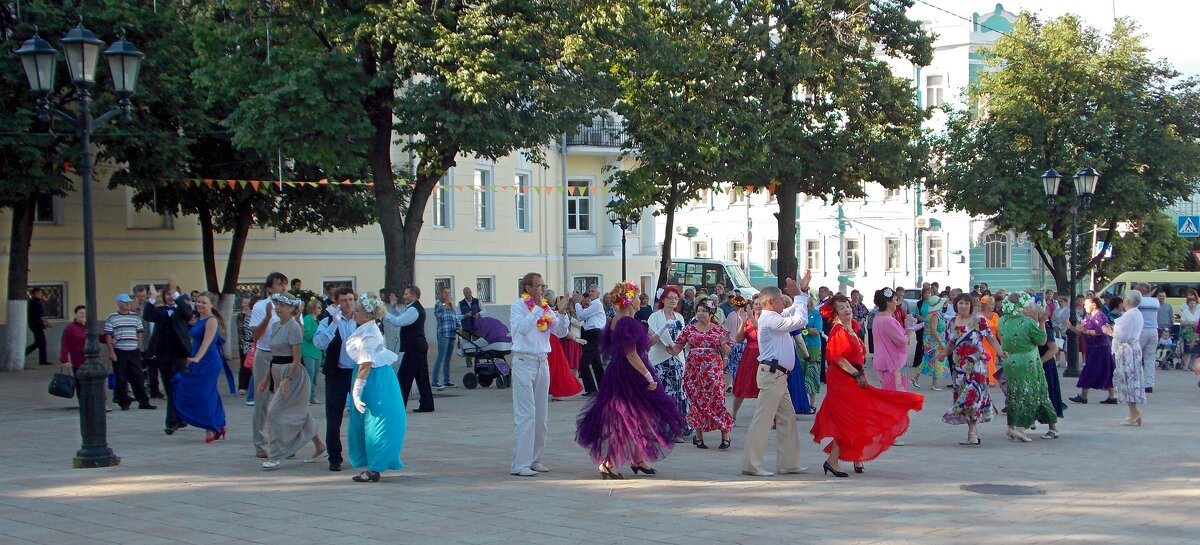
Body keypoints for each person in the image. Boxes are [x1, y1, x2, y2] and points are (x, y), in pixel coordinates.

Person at [576, 282, 687, 479]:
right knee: (624, 419)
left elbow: (644, 345)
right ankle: (608, 462)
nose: (639, 300)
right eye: (636, 297)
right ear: (628, 301)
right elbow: (631, 354)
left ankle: (638, 458)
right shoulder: (626, 322)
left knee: (638, 417)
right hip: (630, 375)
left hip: (621, 371)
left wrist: (660, 330)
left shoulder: (618, 319)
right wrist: (648, 376)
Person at [811, 294, 923, 477]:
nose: (847, 309)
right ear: (835, 313)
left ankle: (855, 455)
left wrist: (859, 372)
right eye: (842, 308)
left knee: (859, 416)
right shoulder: (838, 330)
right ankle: (833, 460)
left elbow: (858, 355)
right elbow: (838, 358)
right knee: (849, 419)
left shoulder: (852, 327)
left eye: (847, 305)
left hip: (853, 375)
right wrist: (855, 373)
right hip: (843, 377)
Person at [741, 274, 813, 477]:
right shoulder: (769, 318)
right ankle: (751, 464)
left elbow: (797, 310)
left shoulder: (774, 316)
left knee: (787, 418)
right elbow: (799, 320)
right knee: (763, 420)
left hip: (779, 376)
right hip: (772, 375)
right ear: (771, 302)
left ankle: (789, 464)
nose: (785, 301)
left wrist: (803, 292)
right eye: (781, 298)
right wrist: (798, 294)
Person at [509, 272, 570, 477]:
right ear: (528, 288)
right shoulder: (518, 306)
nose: (543, 289)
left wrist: (561, 313)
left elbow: (559, 332)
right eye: (539, 286)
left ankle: (535, 459)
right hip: (523, 362)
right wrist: (535, 308)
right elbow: (523, 329)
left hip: (542, 362)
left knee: (541, 416)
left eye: (544, 286)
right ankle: (520, 464)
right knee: (525, 415)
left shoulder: (544, 308)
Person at [342, 293, 406, 483]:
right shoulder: (366, 328)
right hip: (370, 377)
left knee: (377, 421)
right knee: (365, 421)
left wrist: (355, 392)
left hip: (375, 378)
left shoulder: (370, 334)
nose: (355, 312)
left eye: (358, 310)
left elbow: (366, 364)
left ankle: (374, 468)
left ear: (368, 315)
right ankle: (371, 465)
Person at [261, 294, 326, 469]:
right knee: (301, 412)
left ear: (291, 308)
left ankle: (275, 454)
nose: (278, 307)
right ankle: (320, 446)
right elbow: (274, 356)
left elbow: (296, 358)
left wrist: (288, 379)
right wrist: (266, 379)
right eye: (276, 304)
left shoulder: (294, 328)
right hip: (277, 371)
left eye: (282, 304)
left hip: (293, 374)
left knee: (274, 412)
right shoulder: (275, 326)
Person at [938, 293, 1005, 445]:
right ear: (956, 305)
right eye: (961, 303)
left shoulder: (978, 321)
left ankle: (972, 432)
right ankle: (973, 431)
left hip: (977, 367)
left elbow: (990, 338)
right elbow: (951, 343)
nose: (963, 306)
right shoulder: (953, 322)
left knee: (971, 398)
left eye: (967, 304)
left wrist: (1001, 352)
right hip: (960, 368)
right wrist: (943, 354)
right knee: (965, 398)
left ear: (971, 306)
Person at [670, 300, 732, 449]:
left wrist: (723, 345)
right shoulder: (689, 329)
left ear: (711, 313)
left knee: (717, 400)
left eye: (704, 310)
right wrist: (663, 346)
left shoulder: (719, 330)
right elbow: (676, 349)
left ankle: (725, 436)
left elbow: (728, 351)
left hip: (713, 370)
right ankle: (699, 437)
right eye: (698, 311)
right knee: (696, 402)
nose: (700, 313)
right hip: (693, 371)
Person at [997, 293, 1060, 442]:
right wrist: (1042, 322)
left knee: (1014, 393)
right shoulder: (1027, 323)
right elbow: (1041, 340)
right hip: (1028, 362)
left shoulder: (1002, 321)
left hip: (1009, 361)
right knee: (1032, 393)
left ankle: (1011, 427)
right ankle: (1021, 428)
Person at [314, 286, 359, 472]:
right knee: (334, 417)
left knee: (362, 415)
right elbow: (319, 343)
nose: (347, 304)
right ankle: (334, 457)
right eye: (343, 300)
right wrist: (334, 323)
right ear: (336, 303)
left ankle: (363, 453)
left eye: (350, 300)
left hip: (358, 373)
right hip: (336, 373)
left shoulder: (362, 319)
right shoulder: (327, 321)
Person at [172, 293, 226, 443]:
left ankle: (210, 427)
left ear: (211, 305)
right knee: (210, 392)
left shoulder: (211, 321)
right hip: (197, 359)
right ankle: (219, 423)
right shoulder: (198, 319)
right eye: (198, 302)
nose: (200, 304)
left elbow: (207, 342)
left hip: (208, 360)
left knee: (204, 393)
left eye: (204, 302)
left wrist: (197, 358)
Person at [144, 278, 194, 435]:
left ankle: (171, 422)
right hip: (162, 354)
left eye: (172, 294)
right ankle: (179, 418)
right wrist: (152, 298)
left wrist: (177, 296)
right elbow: (147, 315)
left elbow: (188, 314)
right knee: (169, 386)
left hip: (179, 354)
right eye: (167, 294)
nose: (169, 296)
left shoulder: (181, 309)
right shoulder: (159, 311)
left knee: (175, 385)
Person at [250, 272, 289, 457]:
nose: (283, 288)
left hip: (285, 356)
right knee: (262, 399)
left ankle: (285, 441)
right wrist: (267, 317)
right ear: (269, 288)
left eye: (284, 284)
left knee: (286, 399)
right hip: (265, 354)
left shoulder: (290, 304)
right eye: (279, 284)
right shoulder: (260, 306)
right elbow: (255, 336)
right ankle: (260, 443)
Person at [646, 286, 690, 440]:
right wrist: (663, 329)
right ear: (663, 299)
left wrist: (678, 349)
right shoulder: (655, 317)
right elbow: (651, 341)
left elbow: (684, 338)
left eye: (676, 298)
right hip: (660, 362)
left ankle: (675, 430)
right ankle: (658, 429)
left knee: (677, 395)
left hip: (676, 360)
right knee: (661, 395)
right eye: (670, 297)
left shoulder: (679, 317)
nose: (673, 301)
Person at [385, 286, 434, 412]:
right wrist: (394, 308)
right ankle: (427, 404)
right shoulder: (414, 308)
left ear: (413, 295)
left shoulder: (413, 309)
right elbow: (403, 318)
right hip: (418, 346)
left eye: (406, 294)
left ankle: (399, 406)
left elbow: (398, 321)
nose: (403, 296)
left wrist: (383, 313)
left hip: (414, 348)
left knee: (404, 376)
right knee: (421, 376)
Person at [104, 294, 154, 410]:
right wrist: (111, 352)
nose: (128, 304)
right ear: (119, 303)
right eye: (125, 302)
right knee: (121, 377)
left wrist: (138, 347)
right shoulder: (112, 317)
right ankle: (124, 401)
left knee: (138, 376)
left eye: (129, 302)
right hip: (120, 350)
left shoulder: (135, 317)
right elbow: (108, 336)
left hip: (133, 350)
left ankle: (143, 401)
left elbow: (139, 333)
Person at [1105, 290, 1146, 425]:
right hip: (1132, 349)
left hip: (1127, 351)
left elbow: (1123, 336)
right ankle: (1133, 412)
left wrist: (1110, 332)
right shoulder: (1136, 314)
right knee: (1130, 380)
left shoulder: (1129, 315)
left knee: (1127, 381)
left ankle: (1134, 412)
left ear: (1128, 301)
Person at [1069, 297, 1117, 404]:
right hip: (1093, 347)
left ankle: (1083, 395)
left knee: (1090, 369)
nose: (1084, 306)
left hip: (1100, 348)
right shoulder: (1089, 316)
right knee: (1103, 370)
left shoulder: (1100, 316)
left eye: (1086, 304)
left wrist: (1085, 330)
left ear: (1094, 305)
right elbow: (1082, 332)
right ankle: (1112, 396)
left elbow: (1101, 332)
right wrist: (1071, 326)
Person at [545, 290, 583, 400]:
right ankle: (556, 391)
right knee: (557, 368)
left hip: (551, 342)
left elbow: (562, 331)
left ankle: (555, 391)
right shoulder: (550, 311)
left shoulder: (552, 312)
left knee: (555, 367)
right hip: (552, 342)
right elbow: (563, 331)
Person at [730, 299, 763, 421]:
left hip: (764, 355)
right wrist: (743, 322)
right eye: (756, 304)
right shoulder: (748, 321)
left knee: (765, 387)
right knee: (742, 385)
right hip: (749, 355)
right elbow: (738, 339)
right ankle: (733, 414)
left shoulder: (766, 320)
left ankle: (772, 417)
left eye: (761, 304)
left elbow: (762, 333)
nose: (758, 306)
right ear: (752, 307)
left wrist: (751, 317)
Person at [871, 288, 909, 393]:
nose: (897, 302)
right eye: (895, 300)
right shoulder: (888, 320)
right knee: (896, 396)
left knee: (888, 393)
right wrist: (910, 329)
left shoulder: (878, 317)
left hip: (884, 361)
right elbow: (902, 340)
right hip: (892, 363)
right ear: (888, 302)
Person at [574, 285, 607, 397]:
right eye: (589, 291)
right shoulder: (592, 305)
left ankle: (592, 389)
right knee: (596, 363)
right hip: (591, 334)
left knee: (583, 363)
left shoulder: (597, 304)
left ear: (598, 293)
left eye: (593, 291)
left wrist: (577, 303)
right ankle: (602, 388)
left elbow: (580, 316)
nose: (590, 293)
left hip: (595, 334)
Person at [913, 290, 948, 390]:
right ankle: (934, 383)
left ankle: (917, 378)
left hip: (931, 341)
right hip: (935, 341)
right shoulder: (934, 315)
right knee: (937, 360)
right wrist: (941, 344)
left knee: (929, 360)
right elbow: (933, 330)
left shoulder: (933, 314)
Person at [432, 286, 461, 390]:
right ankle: (435, 381)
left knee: (448, 359)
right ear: (441, 294)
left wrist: (459, 325)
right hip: (443, 334)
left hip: (451, 334)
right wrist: (445, 303)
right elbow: (438, 314)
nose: (447, 295)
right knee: (441, 357)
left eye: (448, 293)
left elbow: (455, 317)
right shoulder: (439, 304)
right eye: (445, 293)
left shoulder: (451, 306)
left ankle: (447, 380)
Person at [1133, 283, 1159, 393]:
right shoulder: (1155, 302)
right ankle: (1149, 384)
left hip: (1141, 330)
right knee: (1150, 358)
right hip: (1153, 330)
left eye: (1137, 289)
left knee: (1136, 356)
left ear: (1142, 291)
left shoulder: (1139, 302)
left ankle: (1136, 381)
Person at [800, 301, 823, 412]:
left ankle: (812, 404)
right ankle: (801, 403)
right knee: (800, 374)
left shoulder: (816, 314)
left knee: (812, 374)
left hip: (813, 347)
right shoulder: (799, 313)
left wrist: (805, 329)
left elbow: (817, 331)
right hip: (800, 346)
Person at [301, 299, 323, 404]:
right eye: (318, 307)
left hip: (317, 352)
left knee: (314, 376)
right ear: (313, 308)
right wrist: (318, 335)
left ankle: (312, 397)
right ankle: (305, 397)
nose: (320, 309)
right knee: (309, 374)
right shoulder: (307, 319)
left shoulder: (318, 320)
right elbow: (307, 334)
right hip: (308, 351)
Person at [26, 287, 50, 365]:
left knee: (39, 342)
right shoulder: (34, 303)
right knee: (40, 342)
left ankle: (42, 360)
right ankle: (24, 353)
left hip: (35, 324)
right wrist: (47, 322)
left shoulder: (34, 302)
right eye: (40, 293)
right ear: (36, 293)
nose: (41, 295)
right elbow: (39, 315)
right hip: (36, 324)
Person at [59, 305, 87, 372]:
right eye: (81, 313)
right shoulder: (70, 328)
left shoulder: (89, 327)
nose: (83, 315)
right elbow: (65, 345)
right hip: (78, 360)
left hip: (91, 360)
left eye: (85, 313)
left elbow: (98, 337)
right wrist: (64, 360)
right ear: (75, 314)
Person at [1180, 290, 1199, 371]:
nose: (1192, 304)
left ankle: (1192, 365)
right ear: (1188, 304)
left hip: (1197, 332)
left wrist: (1196, 325)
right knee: (1187, 350)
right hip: (1187, 332)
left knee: (1196, 350)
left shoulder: (1199, 310)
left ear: (1196, 304)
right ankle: (1185, 366)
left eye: (1193, 303)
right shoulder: (1185, 311)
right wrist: (1190, 323)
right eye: (1190, 303)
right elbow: (1182, 322)